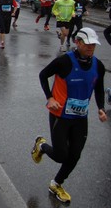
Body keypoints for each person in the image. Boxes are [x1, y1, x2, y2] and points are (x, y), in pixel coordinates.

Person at [31, 28, 106, 203]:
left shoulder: (98, 66)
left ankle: (56, 183)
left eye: (93, 45)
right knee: (60, 155)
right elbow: (43, 75)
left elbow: (99, 88)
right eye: (87, 44)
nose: (91, 48)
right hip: (60, 115)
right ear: (78, 42)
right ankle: (41, 146)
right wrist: (49, 97)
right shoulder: (64, 62)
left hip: (80, 118)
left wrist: (100, 107)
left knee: (75, 155)